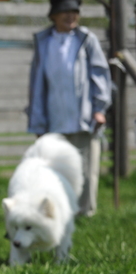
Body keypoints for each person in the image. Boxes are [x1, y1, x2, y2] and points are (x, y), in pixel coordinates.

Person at [27, 0, 112, 217]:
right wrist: (38, 120)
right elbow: (37, 83)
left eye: (74, 12)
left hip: (84, 119)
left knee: (85, 171)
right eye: (65, 12)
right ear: (54, 15)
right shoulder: (44, 42)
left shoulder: (86, 40)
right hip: (54, 120)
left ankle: (85, 213)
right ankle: (61, 213)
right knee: (56, 170)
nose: (71, 16)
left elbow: (100, 74)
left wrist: (99, 109)